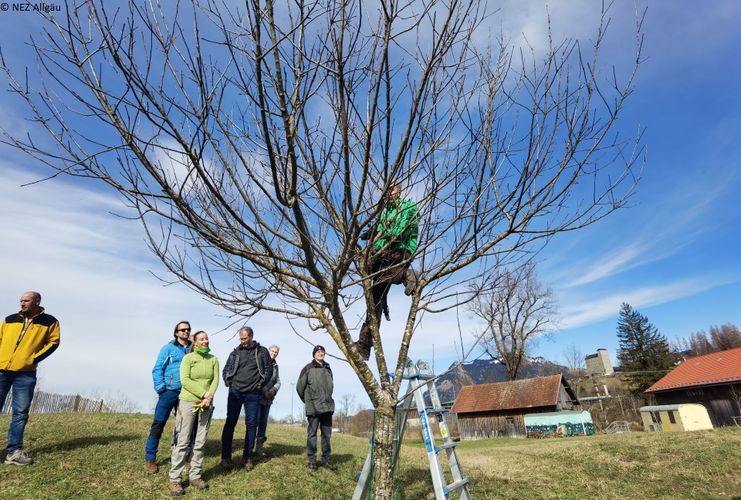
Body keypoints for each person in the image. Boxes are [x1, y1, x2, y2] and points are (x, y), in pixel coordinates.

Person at [354, 182, 419, 360]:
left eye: (393, 191)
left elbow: (401, 230)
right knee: (375, 300)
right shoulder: (384, 211)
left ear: (399, 191)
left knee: (388, 272)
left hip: (401, 249)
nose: (389, 194)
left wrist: (380, 234)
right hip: (386, 253)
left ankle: (407, 275)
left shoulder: (408, 207)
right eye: (387, 191)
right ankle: (364, 345)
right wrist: (372, 233)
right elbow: (381, 228)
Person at [0, 291, 60, 466]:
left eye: (26, 300)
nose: (22, 303)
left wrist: (33, 358)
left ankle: (13, 452)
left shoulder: (50, 321)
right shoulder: (10, 319)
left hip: (26, 374)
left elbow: (54, 342)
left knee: (20, 413)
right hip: (2, 370)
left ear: (37, 301)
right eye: (20, 300)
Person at [168, 331, 219, 496]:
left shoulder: (214, 359)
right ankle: (175, 479)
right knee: (182, 441)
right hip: (188, 401)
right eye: (202, 339)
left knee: (200, 441)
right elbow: (185, 380)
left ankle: (195, 476)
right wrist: (203, 394)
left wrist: (208, 397)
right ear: (195, 343)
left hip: (206, 404)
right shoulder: (188, 358)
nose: (205, 341)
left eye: (206, 338)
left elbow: (215, 380)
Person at [220, 326, 274, 471]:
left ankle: (247, 457)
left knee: (252, 425)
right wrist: (229, 382)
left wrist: (260, 384)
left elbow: (269, 370)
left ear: (251, 336)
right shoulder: (235, 353)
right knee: (230, 423)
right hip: (235, 392)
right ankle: (225, 458)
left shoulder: (262, 352)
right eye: (241, 338)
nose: (242, 341)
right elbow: (226, 370)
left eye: (245, 338)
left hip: (253, 393)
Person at [145, 321, 192, 474]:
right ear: (176, 332)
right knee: (158, 424)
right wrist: (161, 389)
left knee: (184, 427)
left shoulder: (193, 349)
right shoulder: (168, 348)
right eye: (182, 329)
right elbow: (157, 368)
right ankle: (150, 458)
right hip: (169, 392)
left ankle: (182, 458)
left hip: (186, 394)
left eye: (188, 329)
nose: (186, 332)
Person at [297, 345, 336, 472]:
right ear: (314, 354)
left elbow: (331, 387)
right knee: (312, 434)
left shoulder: (328, 368)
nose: (320, 354)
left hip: (327, 407)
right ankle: (312, 461)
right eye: (318, 352)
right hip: (313, 407)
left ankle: (326, 460)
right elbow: (299, 387)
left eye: (322, 352)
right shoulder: (307, 368)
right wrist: (308, 401)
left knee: (326, 434)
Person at [254, 344, 280, 456]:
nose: (274, 354)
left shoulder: (276, 366)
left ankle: (259, 448)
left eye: (276, 352)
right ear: (268, 351)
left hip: (268, 398)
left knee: (263, 422)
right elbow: (258, 378)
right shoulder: (261, 361)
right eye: (272, 351)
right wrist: (265, 390)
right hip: (258, 396)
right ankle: (249, 446)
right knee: (255, 421)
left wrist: (273, 390)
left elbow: (278, 381)